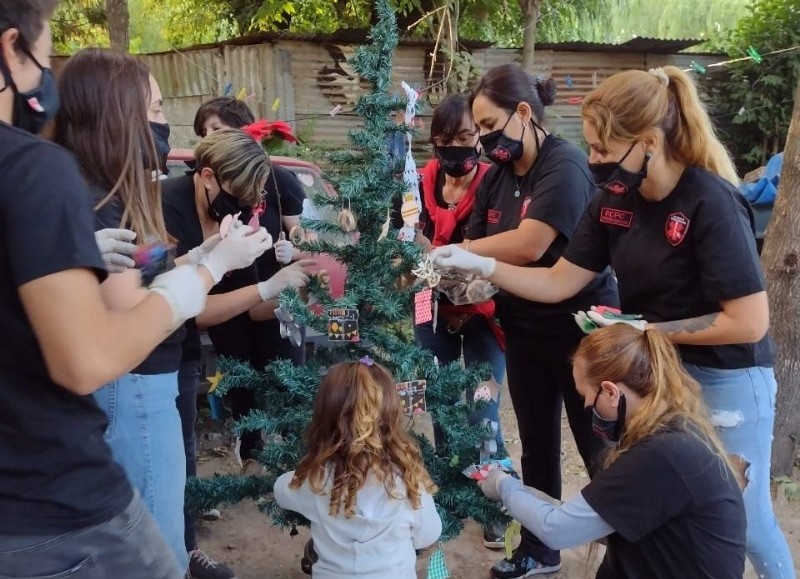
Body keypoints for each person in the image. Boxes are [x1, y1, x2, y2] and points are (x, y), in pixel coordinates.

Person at [432, 65, 795, 579]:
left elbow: (750, 322)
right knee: (655, 503)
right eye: (591, 148)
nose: (594, 162)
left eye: (603, 151)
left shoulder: (708, 200)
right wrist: (485, 264)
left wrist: (647, 333)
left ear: (648, 142)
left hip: (726, 374)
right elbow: (560, 281)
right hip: (660, 374)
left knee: (748, 517)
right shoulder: (614, 201)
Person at [0, 2, 209, 577]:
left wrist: (150, 260)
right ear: (10, 48)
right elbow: (90, 354)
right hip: (50, 494)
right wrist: (188, 286)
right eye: (44, 58)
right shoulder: (39, 171)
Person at [52, 48, 275, 576]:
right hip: (133, 381)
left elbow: (144, 263)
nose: (164, 123)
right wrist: (216, 266)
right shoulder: (101, 194)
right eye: (154, 109)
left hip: (148, 380)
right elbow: (129, 306)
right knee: (157, 552)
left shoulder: (114, 190)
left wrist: (198, 254)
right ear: (118, 116)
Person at [457, 63, 619, 577]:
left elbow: (530, 245)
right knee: (537, 443)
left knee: (600, 447)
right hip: (523, 331)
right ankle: (539, 547)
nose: (483, 140)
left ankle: (622, 552)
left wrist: (462, 253)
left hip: (582, 335)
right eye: (478, 129)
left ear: (523, 113)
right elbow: (486, 240)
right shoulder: (497, 178)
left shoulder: (565, 165)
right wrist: (467, 275)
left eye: (488, 126)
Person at [478, 325, 746, 579]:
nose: (585, 405)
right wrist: (529, 496)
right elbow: (600, 517)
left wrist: (502, 485)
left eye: (586, 395)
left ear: (610, 391)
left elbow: (558, 529)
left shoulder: (663, 454)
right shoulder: (674, 432)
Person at [161, 127, 312, 577]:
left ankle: (186, 551)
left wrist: (284, 279)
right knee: (169, 454)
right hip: (154, 347)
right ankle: (171, 553)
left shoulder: (242, 204)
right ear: (207, 177)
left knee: (184, 450)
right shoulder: (167, 207)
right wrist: (263, 286)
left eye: (255, 199)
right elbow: (192, 311)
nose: (249, 209)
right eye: (241, 196)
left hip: (186, 347)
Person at [408, 93, 507, 548]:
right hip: (430, 307)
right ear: (433, 142)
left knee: (483, 407)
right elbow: (407, 237)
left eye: (466, 137)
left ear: (479, 137)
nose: (457, 149)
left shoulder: (494, 181)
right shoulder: (422, 179)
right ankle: (447, 489)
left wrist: (446, 256)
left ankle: (494, 500)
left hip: (484, 311)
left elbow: (497, 249)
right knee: (440, 401)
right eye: (446, 140)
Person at [274, 358, 442, 579]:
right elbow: (429, 536)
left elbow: (280, 491)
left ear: (325, 420)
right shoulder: (410, 484)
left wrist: (304, 471)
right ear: (391, 419)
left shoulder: (316, 481)